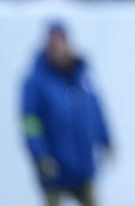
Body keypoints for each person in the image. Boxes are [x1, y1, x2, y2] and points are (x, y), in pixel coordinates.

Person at [21, 22, 111, 206]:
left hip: (82, 165)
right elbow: (30, 122)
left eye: (63, 41)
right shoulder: (36, 82)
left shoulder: (81, 76)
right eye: (55, 42)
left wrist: (106, 140)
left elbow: (95, 111)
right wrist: (40, 155)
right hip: (54, 166)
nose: (59, 47)